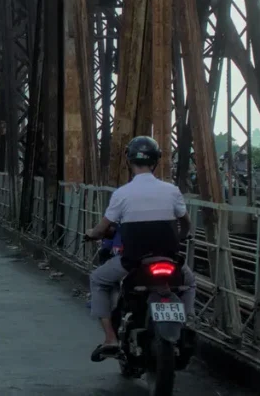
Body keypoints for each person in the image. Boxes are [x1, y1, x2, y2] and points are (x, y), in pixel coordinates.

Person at [84, 136, 196, 362]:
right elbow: (186, 224)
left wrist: (91, 234)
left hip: (133, 261)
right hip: (169, 258)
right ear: (155, 161)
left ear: (129, 161)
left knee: (98, 280)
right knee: (190, 282)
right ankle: (187, 321)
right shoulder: (171, 190)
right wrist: (182, 236)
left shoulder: (122, 194)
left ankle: (110, 339)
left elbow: (102, 228)